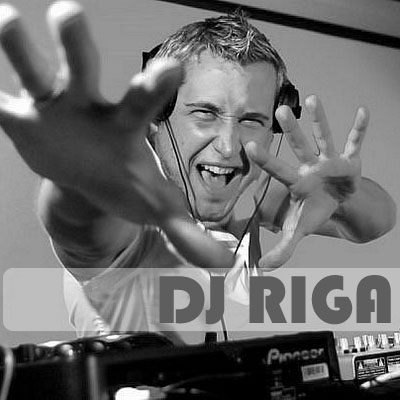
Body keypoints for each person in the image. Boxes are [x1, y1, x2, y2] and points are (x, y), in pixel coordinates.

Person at [0, 1, 396, 345]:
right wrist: (77, 179)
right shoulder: (127, 206)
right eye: (206, 113)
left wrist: (344, 196)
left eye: (251, 120)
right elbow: (80, 227)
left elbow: (377, 220)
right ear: (159, 118)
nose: (228, 146)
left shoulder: (249, 188)